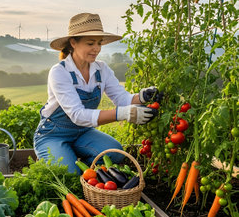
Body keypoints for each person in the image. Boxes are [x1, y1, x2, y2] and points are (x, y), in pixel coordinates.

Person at [34, 13, 161, 174]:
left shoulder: (101, 69)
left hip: (82, 133)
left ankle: (77, 159)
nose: (97, 49)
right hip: (53, 135)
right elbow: (77, 115)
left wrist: (141, 97)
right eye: (90, 43)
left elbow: (121, 98)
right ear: (73, 42)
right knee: (70, 175)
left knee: (114, 152)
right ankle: (61, 155)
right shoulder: (60, 72)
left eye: (99, 43)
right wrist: (122, 114)